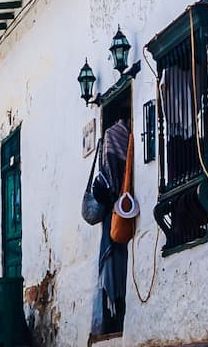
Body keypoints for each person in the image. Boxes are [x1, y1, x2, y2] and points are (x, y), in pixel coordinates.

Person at [82, 120, 131, 336]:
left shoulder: (111, 139)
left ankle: (114, 316)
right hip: (118, 209)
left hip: (118, 209)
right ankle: (113, 318)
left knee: (112, 263)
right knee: (115, 263)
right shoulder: (114, 138)